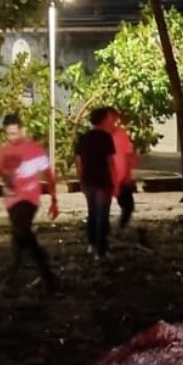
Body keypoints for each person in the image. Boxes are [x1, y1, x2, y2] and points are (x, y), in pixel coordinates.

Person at [0, 113, 58, 291]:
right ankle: (45, 273)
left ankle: (13, 274)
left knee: (20, 233)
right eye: (9, 134)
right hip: (11, 200)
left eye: (15, 133)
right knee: (22, 235)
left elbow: (48, 174)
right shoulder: (2, 150)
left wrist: (54, 198)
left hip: (28, 199)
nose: (12, 137)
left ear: (22, 130)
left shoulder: (34, 149)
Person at [75, 107, 119, 258]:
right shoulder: (106, 137)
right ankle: (101, 251)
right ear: (103, 120)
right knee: (102, 215)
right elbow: (111, 162)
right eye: (109, 118)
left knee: (92, 213)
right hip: (103, 181)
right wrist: (116, 182)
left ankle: (91, 244)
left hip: (88, 181)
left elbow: (78, 162)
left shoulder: (83, 137)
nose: (112, 121)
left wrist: (81, 181)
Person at [107, 109, 140, 230]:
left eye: (113, 118)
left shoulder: (121, 134)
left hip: (122, 177)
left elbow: (128, 154)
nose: (112, 121)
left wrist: (128, 174)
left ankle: (120, 228)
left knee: (128, 206)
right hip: (106, 177)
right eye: (109, 118)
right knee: (101, 208)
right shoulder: (99, 135)